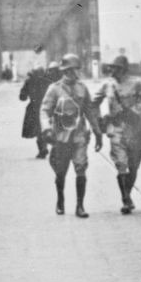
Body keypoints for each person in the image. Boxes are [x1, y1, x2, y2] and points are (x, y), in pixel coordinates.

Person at [40, 53, 103, 218]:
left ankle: (80, 206)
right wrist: (46, 128)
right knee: (61, 172)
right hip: (61, 136)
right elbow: (44, 110)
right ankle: (60, 200)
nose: (76, 73)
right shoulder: (54, 89)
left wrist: (97, 132)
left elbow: (89, 111)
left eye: (77, 70)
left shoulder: (82, 88)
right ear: (66, 70)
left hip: (79, 135)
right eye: (73, 69)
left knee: (81, 168)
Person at [97, 55, 141, 214]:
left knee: (133, 166)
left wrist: (135, 111)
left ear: (123, 69)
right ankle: (125, 199)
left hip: (135, 129)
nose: (112, 70)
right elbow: (93, 103)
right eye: (112, 67)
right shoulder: (107, 85)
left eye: (116, 68)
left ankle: (127, 193)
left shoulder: (136, 84)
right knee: (121, 164)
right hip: (116, 129)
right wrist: (98, 119)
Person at [19, 65, 53, 159]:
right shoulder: (48, 81)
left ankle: (43, 149)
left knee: (38, 129)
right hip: (47, 107)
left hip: (34, 108)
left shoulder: (29, 81)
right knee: (46, 127)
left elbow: (22, 97)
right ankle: (45, 147)